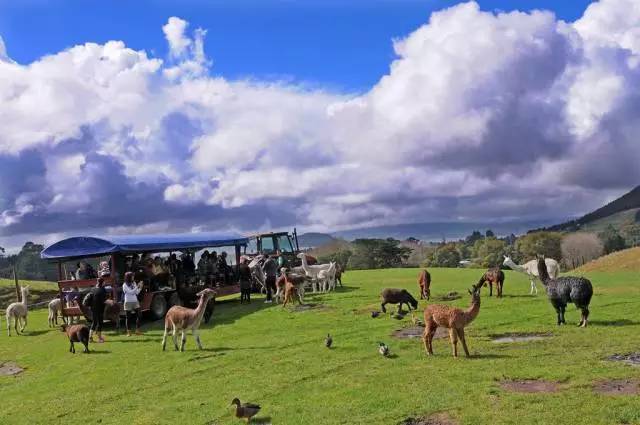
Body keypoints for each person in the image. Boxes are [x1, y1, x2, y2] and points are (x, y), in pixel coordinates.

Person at [122, 271, 143, 336]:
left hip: (135, 301)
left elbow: (136, 293)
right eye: (132, 276)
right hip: (128, 302)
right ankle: (129, 332)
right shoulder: (124, 285)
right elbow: (130, 292)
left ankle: (137, 330)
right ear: (129, 277)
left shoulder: (134, 283)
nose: (133, 277)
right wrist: (137, 286)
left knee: (139, 315)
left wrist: (140, 287)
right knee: (128, 317)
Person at [88, 277, 107, 343]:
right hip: (100, 309)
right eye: (104, 281)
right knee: (99, 323)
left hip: (93, 308)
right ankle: (99, 339)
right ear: (102, 282)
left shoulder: (93, 289)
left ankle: (90, 338)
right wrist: (109, 301)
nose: (105, 282)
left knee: (94, 322)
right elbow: (103, 301)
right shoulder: (102, 290)